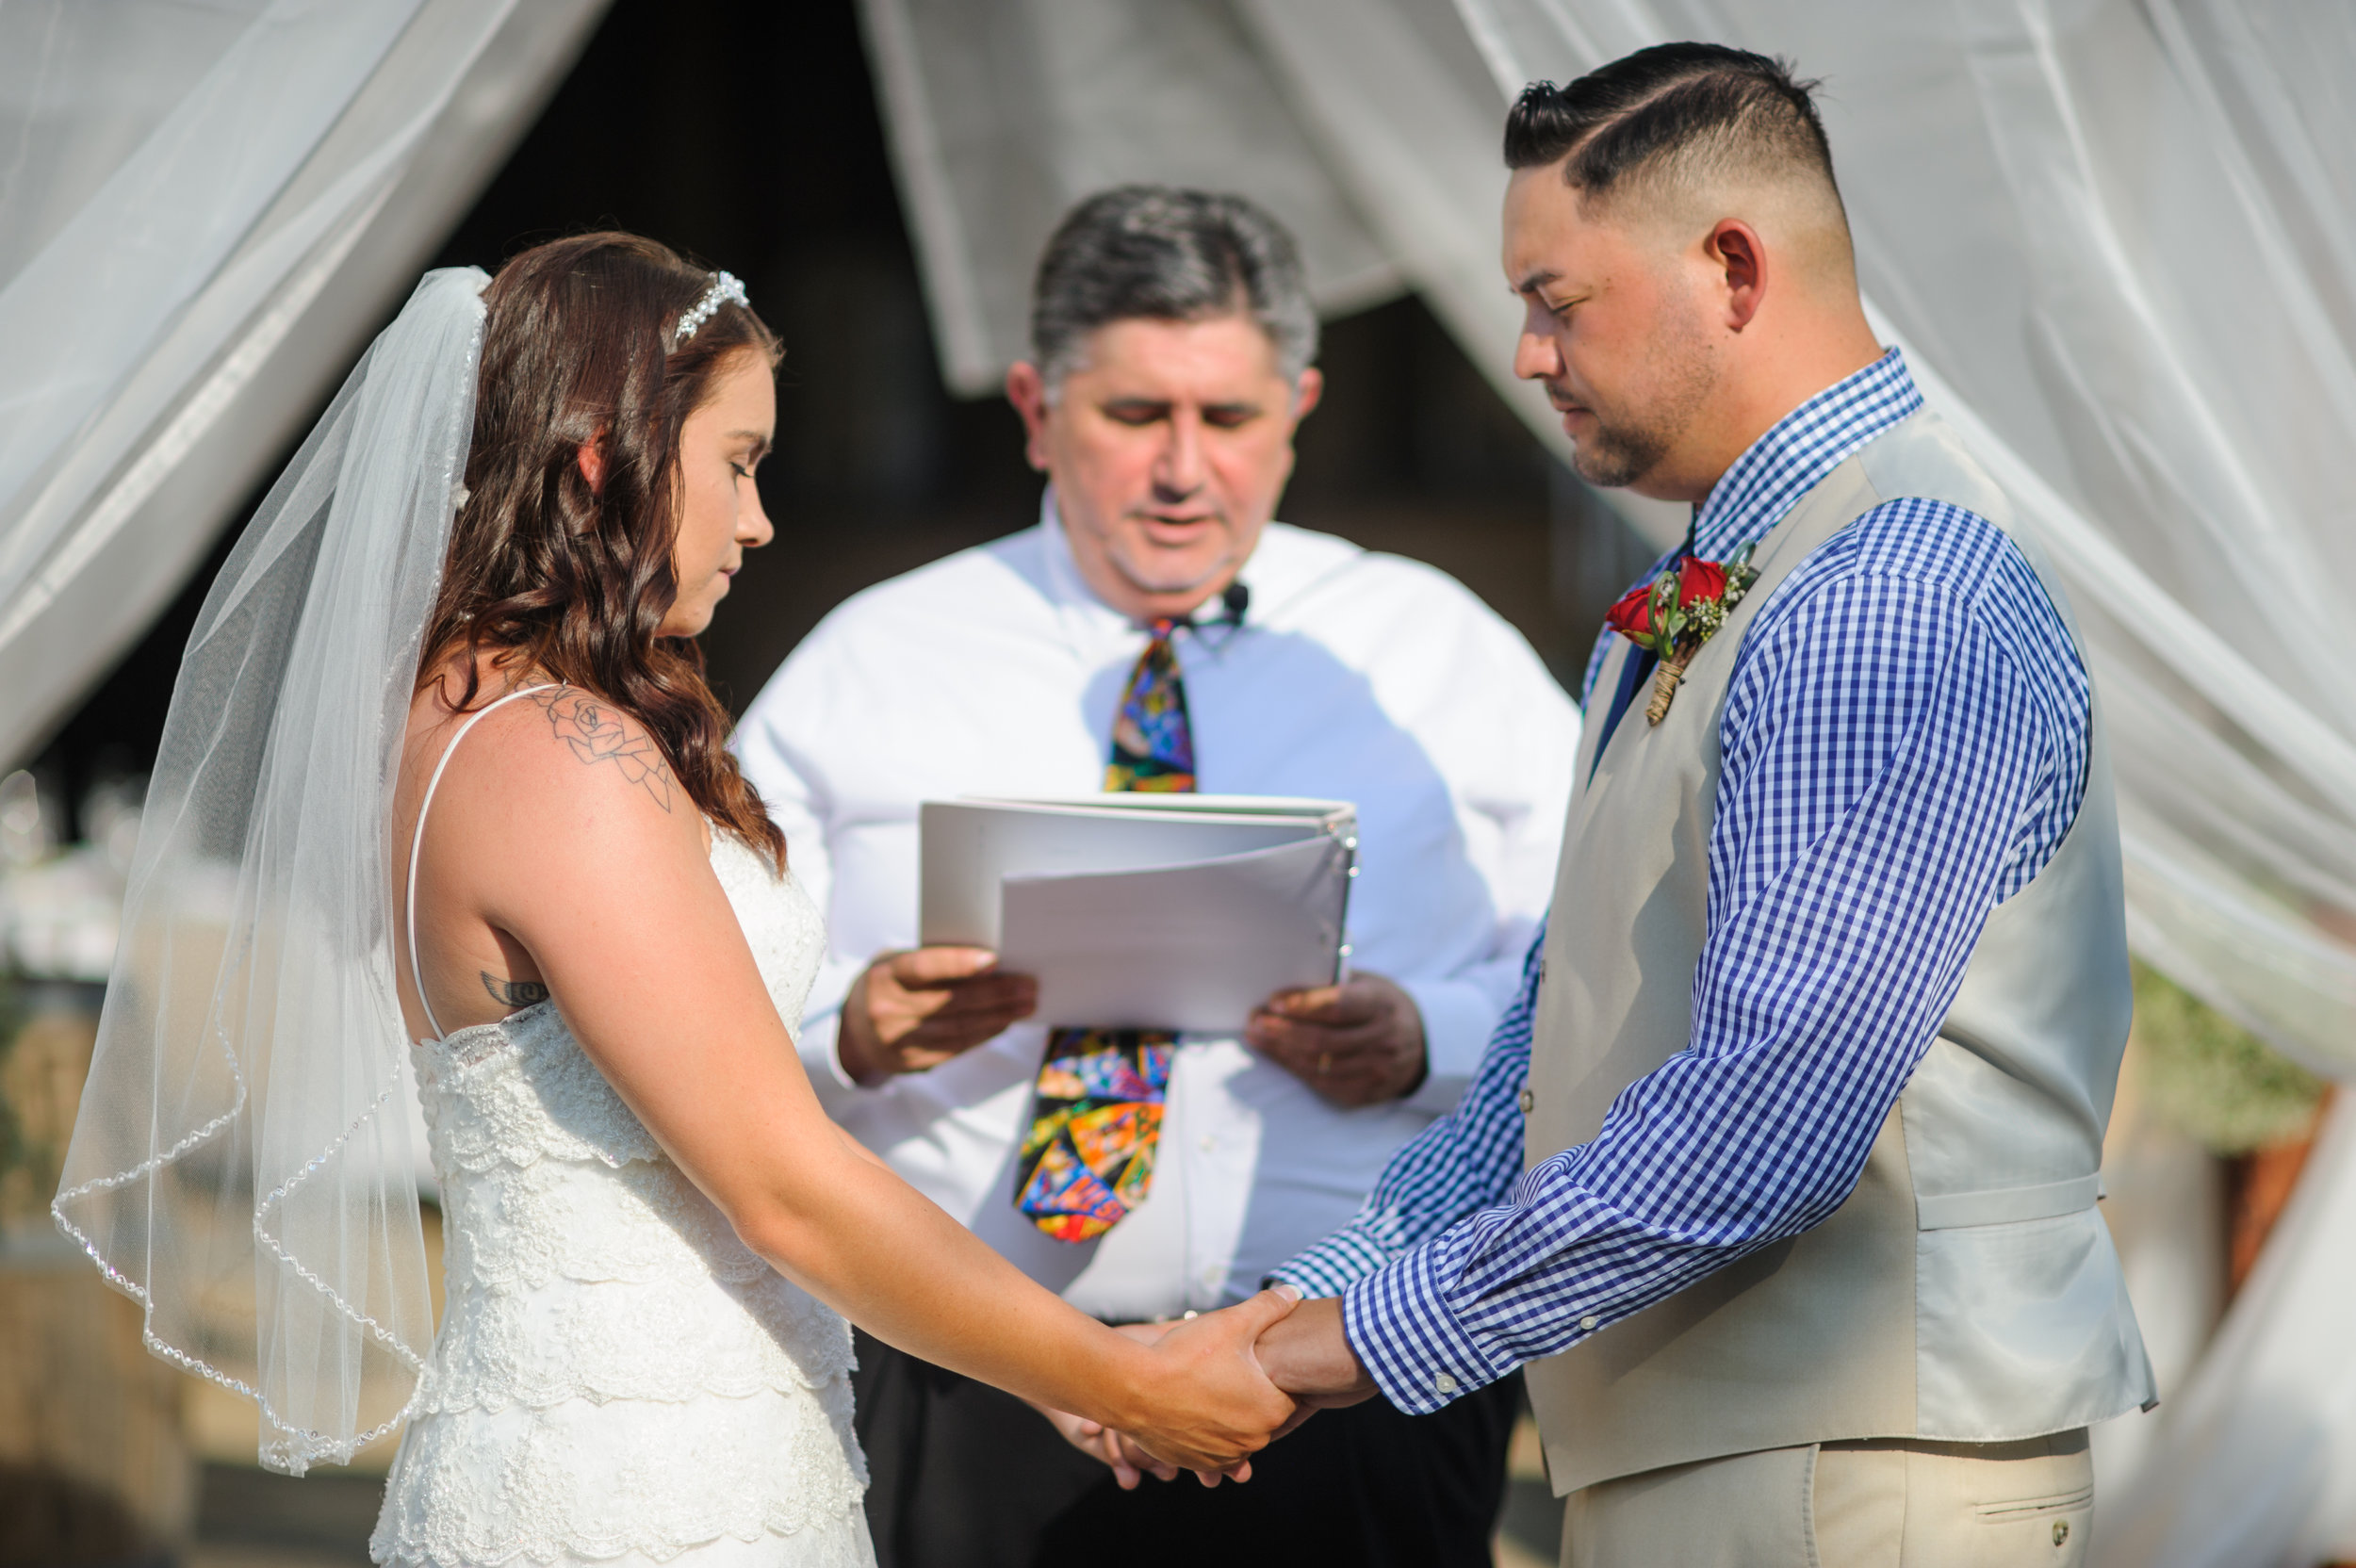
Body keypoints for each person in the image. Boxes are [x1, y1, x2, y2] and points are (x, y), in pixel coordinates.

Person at [54, 235, 1304, 1568]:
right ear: (606, 460)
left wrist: (1038, 1368)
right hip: (644, 1492)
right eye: (739, 463)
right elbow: (783, 1188)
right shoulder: (557, 758)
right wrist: (1118, 1376)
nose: (760, 519)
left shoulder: (463, 715)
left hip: (631, 1443)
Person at [1237, 45, 2156, 1567]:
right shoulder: (1727, 587)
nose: (1527, 354)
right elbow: (1549, 1068)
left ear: (1731, 268)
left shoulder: (1885, 599)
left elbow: (1769, 1116)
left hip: (1858, 1476)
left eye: (1558, 300)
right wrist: (1294, 1309)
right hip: (1737, 1463)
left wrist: (1339, 1350)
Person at [733, 187, 1578, 1566]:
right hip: (976, 1381)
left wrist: (1433, 1038)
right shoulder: (868, 665)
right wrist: (853, 1035)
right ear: (1032, 407)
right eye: (1136, 417)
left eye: (1230, 420)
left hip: (1346, 1384)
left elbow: (1596, 962)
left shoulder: (1442, 660)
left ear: (1299, 405)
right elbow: (702, 1005)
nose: (1186, 470)